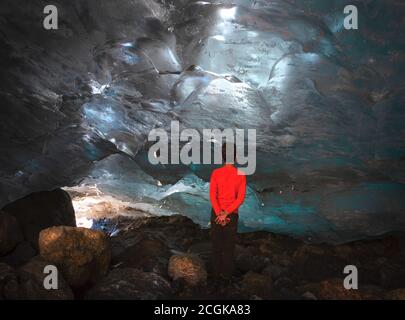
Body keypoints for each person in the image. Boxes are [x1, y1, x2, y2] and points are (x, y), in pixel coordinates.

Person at [209, 142, 246, 283]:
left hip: (216, 215)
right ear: (235, 156)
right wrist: (227, 213)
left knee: (216, 246)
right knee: (228, 248)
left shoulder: (216, 173)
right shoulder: (241, 174)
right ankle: (226, 279)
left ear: (222, 157)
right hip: (232, 215)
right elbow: (240, 198)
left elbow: (213, 196)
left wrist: (219, 213)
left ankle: (215, 278)